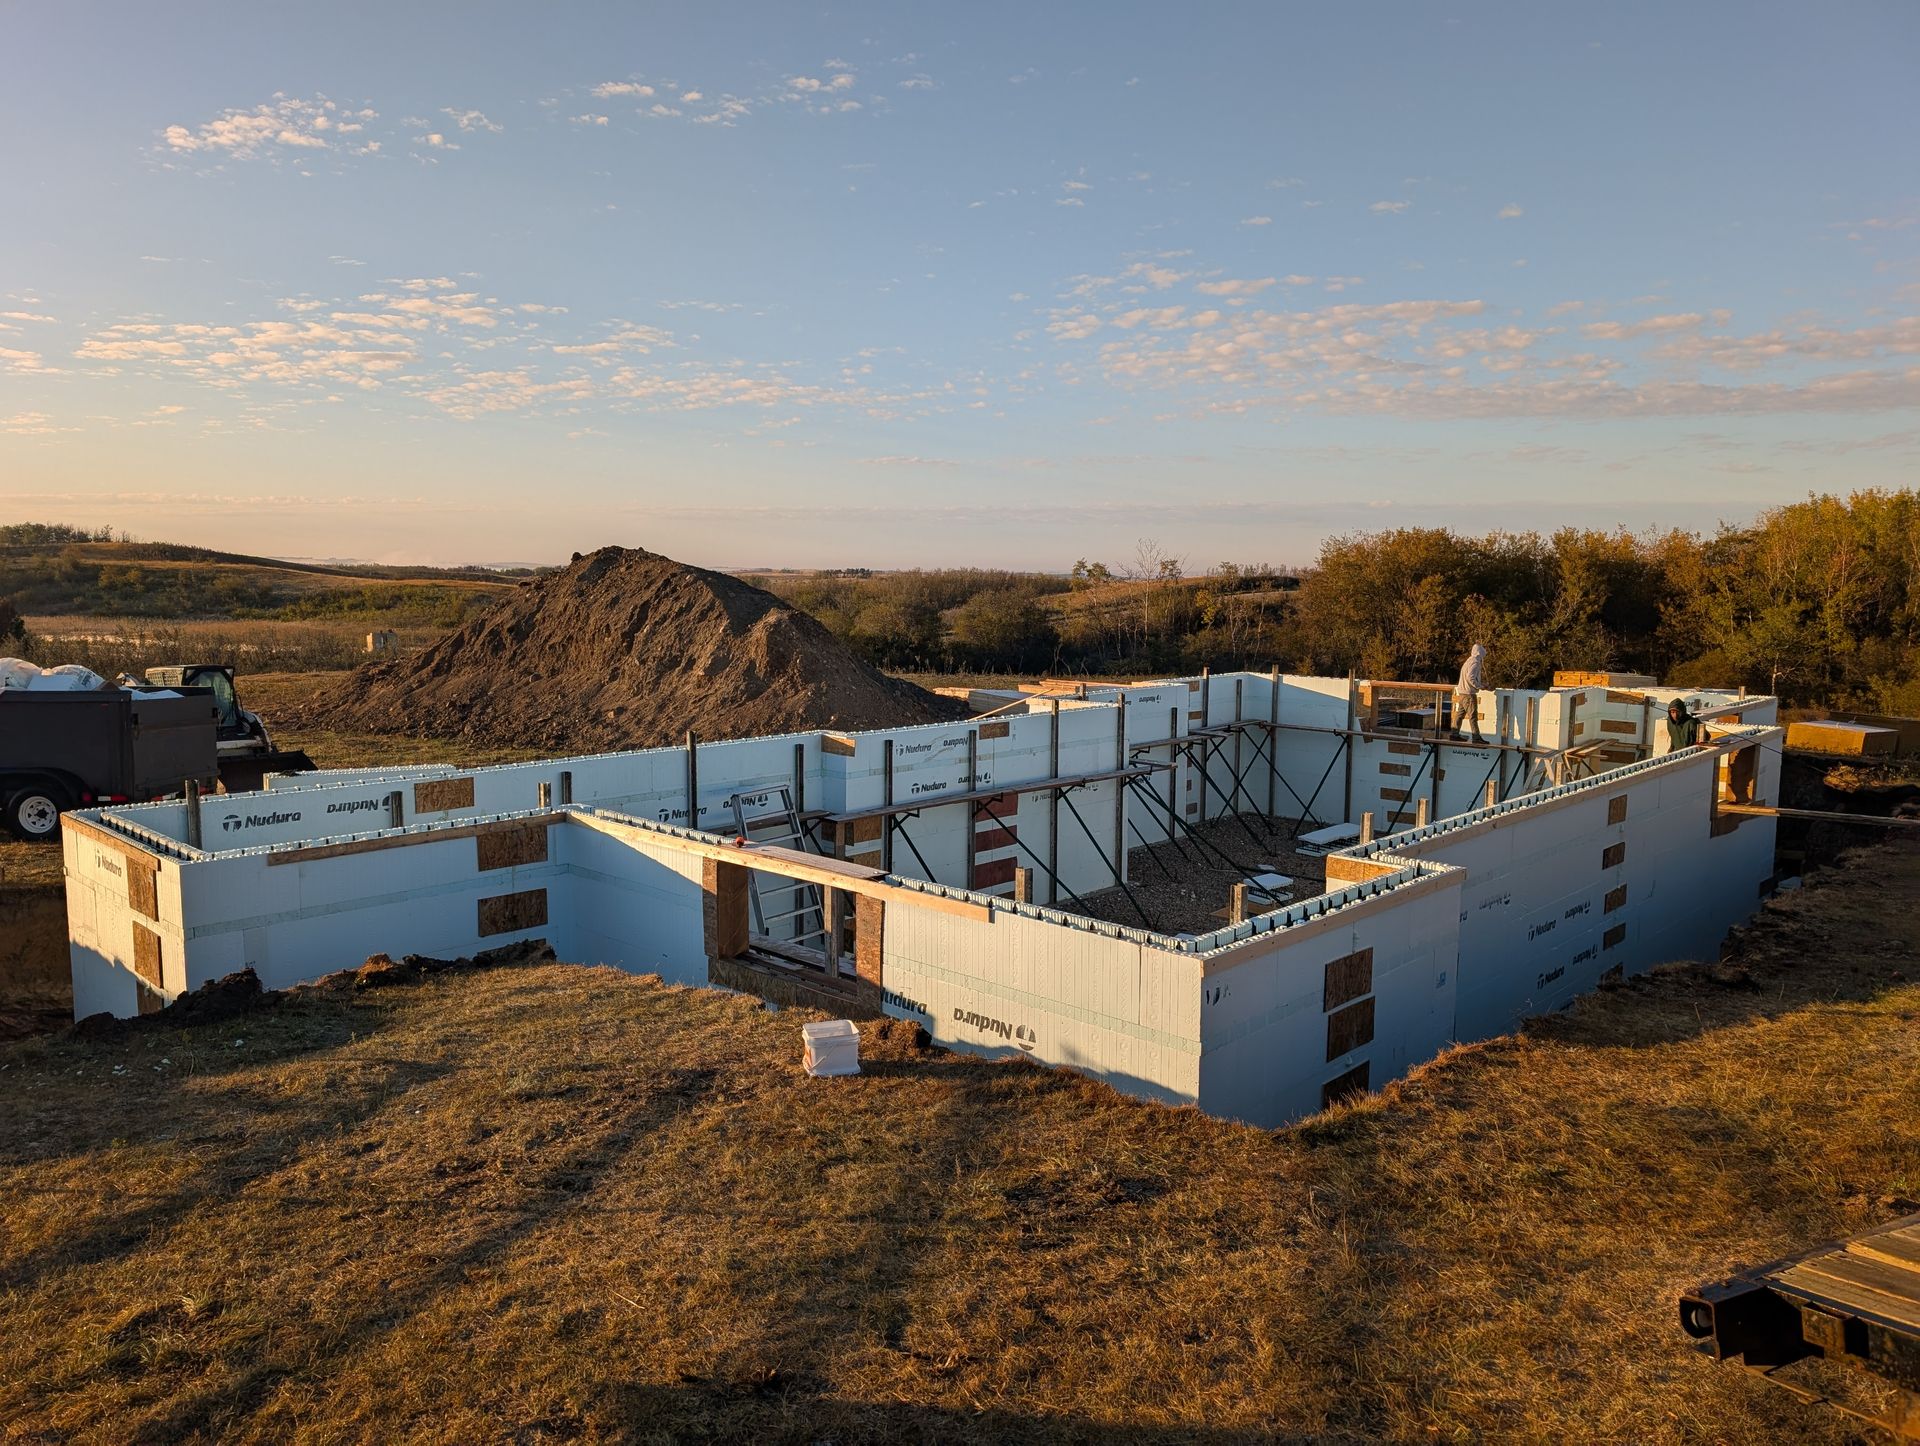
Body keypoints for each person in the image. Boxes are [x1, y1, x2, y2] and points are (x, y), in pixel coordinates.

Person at [1452, 643, 1488, 744]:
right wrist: (1480, 686)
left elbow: (1468, 677)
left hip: (1462, 692)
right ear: (1480, 654)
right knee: (1473, 716)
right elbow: (1471, 678)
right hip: (1469, 693)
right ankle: (1476, 737)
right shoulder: (1475, 662)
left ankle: (1454, 734)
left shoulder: (1468, 661)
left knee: (1460, 714)